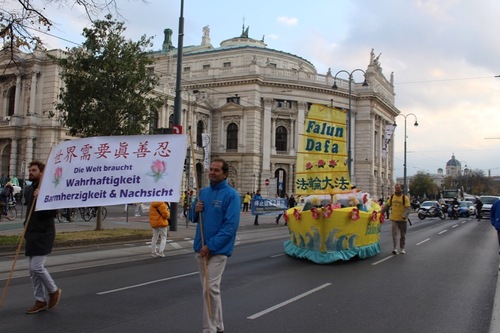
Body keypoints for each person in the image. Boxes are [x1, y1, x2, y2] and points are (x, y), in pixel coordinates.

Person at [190, 158, 241, 333]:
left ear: (225, 174)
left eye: (216, 170)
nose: (212, 172)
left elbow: (230, 226)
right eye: (211, 169)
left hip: (218, 251)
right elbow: (192, 218)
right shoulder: (202, 192)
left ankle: (209, 328)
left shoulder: (231, 195)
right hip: (201, 249)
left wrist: (210, 246)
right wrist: (194, 209)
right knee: (210, 290)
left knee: (209, 288)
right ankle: (218, 325)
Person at [24, 160, 61, 314]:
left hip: (44, 233)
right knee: (32, 271)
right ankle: (40, 300)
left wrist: (42, 197)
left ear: (41, 172)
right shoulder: (30, 188)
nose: (30, 173)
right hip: (31, 232)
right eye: (30, 170)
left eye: (34, 170)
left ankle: (53, 290)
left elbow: (53, 213)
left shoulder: (49, 189)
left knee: (36, 267)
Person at [380, 184, 411, 255]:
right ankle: (395, 249)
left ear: (401, 189)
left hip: (403, 220)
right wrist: (381, 212)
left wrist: (404, 215)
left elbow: (408, 208)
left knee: (403, 235)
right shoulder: (392, 197)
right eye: (396, 188)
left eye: (398, 188)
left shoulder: (404, 198)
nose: (397, 189)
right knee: (394, 235)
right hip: (394, 219)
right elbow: (387, 206)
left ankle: (402, 248)